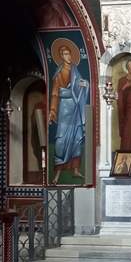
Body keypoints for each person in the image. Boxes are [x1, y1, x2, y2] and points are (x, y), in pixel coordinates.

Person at [48, 43, 89, 184]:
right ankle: (58, 173)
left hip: (76, 106)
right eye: (65, 54)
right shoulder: (59, 73)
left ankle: (76, 170)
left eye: (69, 53)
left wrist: (85, 84)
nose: (68, 56)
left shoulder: (75, 69)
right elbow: (55, 93)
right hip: (65, 107)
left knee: (76, 137)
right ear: (61, 56)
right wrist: (52, 110)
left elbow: (81, 84)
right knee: (62, 138)